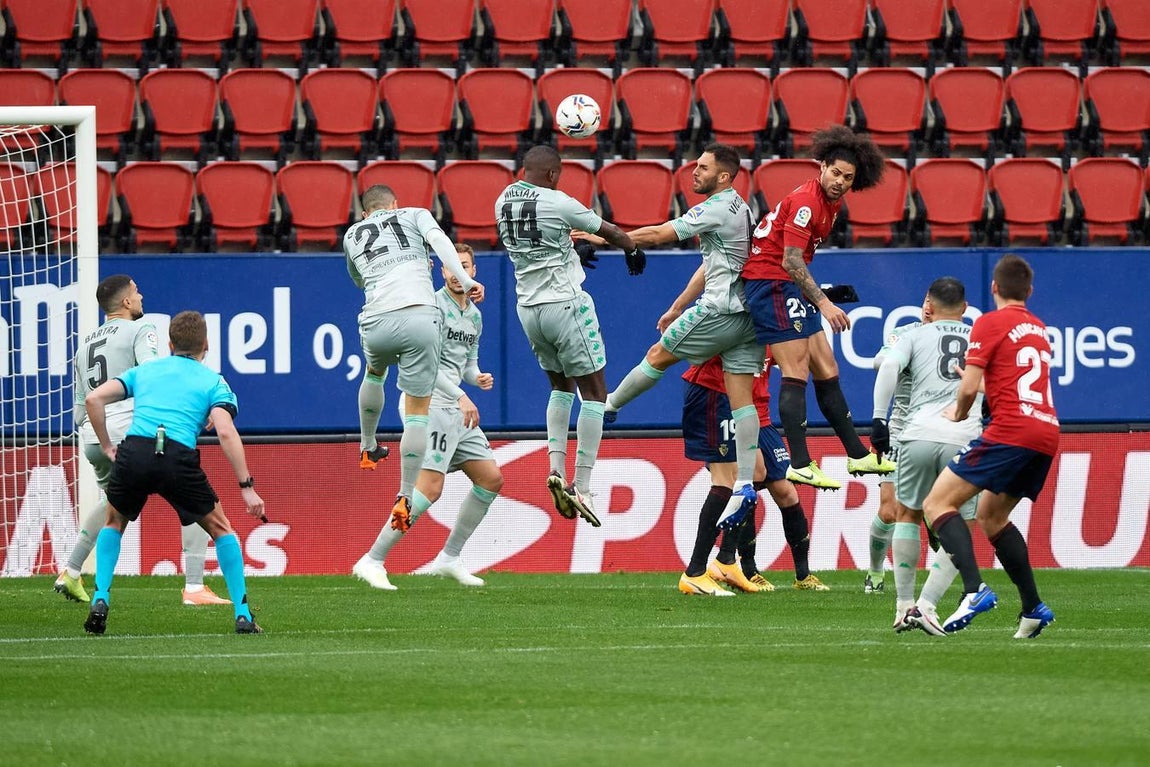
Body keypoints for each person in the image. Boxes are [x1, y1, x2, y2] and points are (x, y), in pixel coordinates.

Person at [593, 143, 765, 531]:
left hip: (720, 310)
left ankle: (608, 407)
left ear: (723, 176)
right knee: (742, 399)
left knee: (658, 354)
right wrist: (676, 306)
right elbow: (711, 265)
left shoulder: (716, 207)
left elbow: (657, 234)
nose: (694, 172)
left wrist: (606, 238)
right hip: (748, 316)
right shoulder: (741, 207)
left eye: (703, 168)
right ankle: (744, 484)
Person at [81, 310, 266, 635]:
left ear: (169, 343)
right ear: (205, 345)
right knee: (221, 528)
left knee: (114, 521)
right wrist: (246, 485)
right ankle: (243, 615)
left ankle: (100, 598)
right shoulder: (213, 381)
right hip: (176, 456)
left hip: (135, 451)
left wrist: (110, 446)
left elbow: (94, 398)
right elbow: (225, 431)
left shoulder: (146, 370)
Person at [57, 275, 229, 607]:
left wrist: (100, 438)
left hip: (94, 437)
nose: (141, 296)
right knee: (194, 498)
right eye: (136, 292)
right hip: (132, 431)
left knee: (113, 504)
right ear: (125, 302)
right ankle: (194, 586)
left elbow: (81, 408)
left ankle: (72, 569)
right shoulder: (141, 329)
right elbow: (153, 375)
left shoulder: (84, 344)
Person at [495, 144, 644, 528]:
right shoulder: (559, 201)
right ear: (552, 175)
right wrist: (632, 249)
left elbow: (539, 249)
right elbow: (607, 230)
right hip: (566, 305)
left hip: (528, 308)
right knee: (595, 394)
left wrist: (572, 252)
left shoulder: (503, 200)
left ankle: (556, 469)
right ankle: (584, 484)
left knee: (559, 389)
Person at [742, 125, 894, 491]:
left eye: (848, 177)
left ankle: (857, 454)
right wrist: (824, 302)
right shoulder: (808, 203)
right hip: (770, 283)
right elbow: (792, 260)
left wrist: (816, 294)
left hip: (788, 285)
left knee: (827, 366)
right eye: (836, 172)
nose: (840, 181)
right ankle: (799, 463)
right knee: (795, 371)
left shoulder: (832, 203)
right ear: (821, 166)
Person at [922, 254, 1059, 639]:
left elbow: (967, 390)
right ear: (1029, 292)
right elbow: (1011, 388)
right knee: (991, 516)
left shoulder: (988, 321)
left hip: (1011, 431)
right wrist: (976, 382)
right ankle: (1032, 608)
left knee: (937, 504)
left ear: (994, 288)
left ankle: (973, 589)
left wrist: (959, 411)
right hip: (1046, 432)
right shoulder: (1038, 327)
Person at [353, 244, 501, 590]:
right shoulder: (432, 307)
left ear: (473, 271)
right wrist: (462, 394)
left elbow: (465, 364)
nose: (455, 273)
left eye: (462, 266)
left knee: (490, 479)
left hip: (455, 405)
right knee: (429, 488)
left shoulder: (474, 316)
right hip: (429, 402)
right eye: (451, 267)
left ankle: (449, 558)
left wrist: (476, 377)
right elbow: (425, 365)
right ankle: (373, 559)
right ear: (441, 271)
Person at [346, 185, 484, 542]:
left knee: (374, 374)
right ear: (395, 205)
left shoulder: (352, 234)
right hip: (421, 317)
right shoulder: (414, 214)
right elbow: (442, 246)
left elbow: (358, 278)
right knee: (418, 412)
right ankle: (406, 494)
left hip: (376, 318)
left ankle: (367, 445)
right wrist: (467, 280)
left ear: (365, 213)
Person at [871, 278, 982, 636]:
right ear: (964, 309)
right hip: (963, 436)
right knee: (960, 525)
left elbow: (887, 366)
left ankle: (903, 606)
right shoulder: (980, 336)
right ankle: (927, 604)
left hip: (915, 434)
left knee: (907, 514)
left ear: (929, 306)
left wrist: (877, 418)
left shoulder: (914, 334)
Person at [678, 352, 829, 596]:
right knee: (745, 477)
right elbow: (684, 351)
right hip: (731, 408)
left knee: (786, 492)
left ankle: (801, 574)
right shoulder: (735, 326)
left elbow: (798, 356)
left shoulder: (771, 333)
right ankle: (738, 566)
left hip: (760, 418)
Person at [864, 294, 934, 593]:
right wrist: (889, 359)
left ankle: (946, 582)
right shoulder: (905, 333)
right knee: (890, 509)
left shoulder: (956, 341)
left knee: (936, 512)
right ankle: (875, 572)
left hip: (936, 435)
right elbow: (880, 361)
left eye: (934, 304)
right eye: (926, 302)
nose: (928, 308)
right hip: (898, 434)